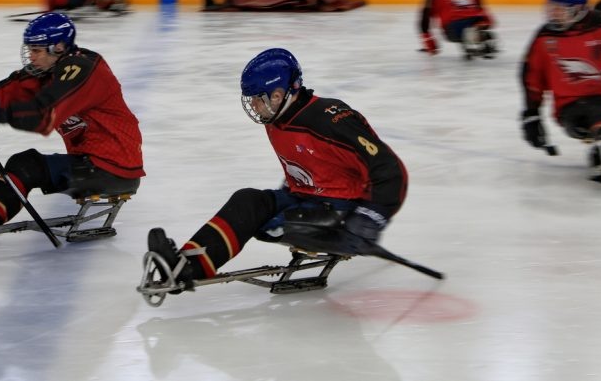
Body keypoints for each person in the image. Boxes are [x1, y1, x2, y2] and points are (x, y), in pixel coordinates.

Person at [145, 48, 408, 293]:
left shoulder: (330, 120)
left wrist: (370, 219)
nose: (253, 106)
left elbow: (390, 170)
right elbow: (315, 162)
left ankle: (190, 267)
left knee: (273, 224)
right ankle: (187, 265)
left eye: (257, 99)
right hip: (307, 198)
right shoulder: (278, 119)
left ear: (279, 94)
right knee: (248, 200)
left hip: (342, 212)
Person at [0, 12, 145, 249]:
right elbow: (9, 93)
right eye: (30, 49)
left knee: (27, 165)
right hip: (92, 161)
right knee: (25, 163)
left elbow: (44, 113)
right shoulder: (47, 70)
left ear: (59, 47)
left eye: (37, 50)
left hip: (115, 167)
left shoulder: (82, 68)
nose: (31, 56)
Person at [521, 0, 601, 183]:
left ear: (578, 9)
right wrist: (531, 115)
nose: (554, 13)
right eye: (552, 7)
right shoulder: (544, 38)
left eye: (560, 9)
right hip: (571, 106)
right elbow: (532, 77)